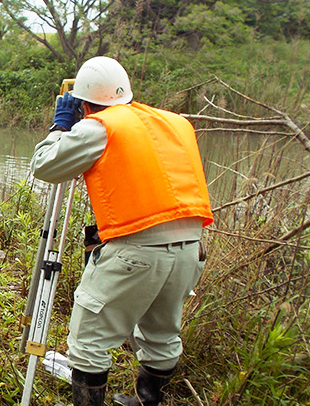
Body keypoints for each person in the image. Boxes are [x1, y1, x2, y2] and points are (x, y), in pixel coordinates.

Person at [30, 56, 213, 406]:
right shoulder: (175, 122)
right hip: (191, 247)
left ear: (83, 102)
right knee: (162, 333)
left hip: (137, 251)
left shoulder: (99, 126)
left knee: (88, 342)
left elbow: (45, 166)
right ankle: (147, 401)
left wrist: (61, 127)